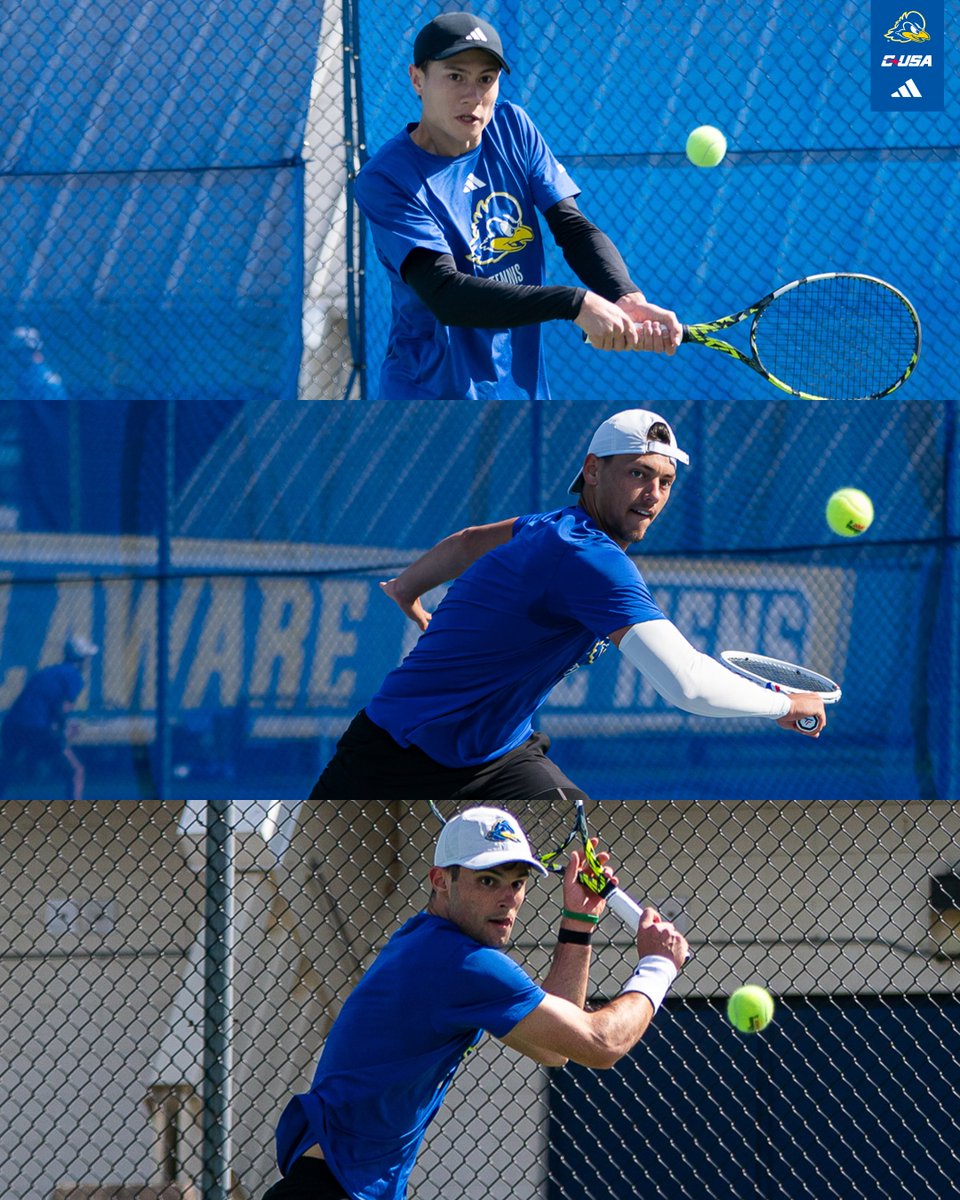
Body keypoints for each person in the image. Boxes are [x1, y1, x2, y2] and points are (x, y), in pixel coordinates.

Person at [310, 407, 826, 802]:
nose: (653, 494)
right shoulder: (587, 559)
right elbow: (687, 683)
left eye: (665, 482)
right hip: (395, 748)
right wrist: (785, 704)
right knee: (305, 900)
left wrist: (406, 588)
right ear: (594, 470)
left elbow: (468, 542)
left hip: (498, 754)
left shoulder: (549, 527)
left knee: (580, 844)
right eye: (639, 474)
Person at [262, 805, 689, 1200]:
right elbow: (599, 1044)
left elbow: (555, 1048)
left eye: (517, 883)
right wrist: (658, 967)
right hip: (330, 1188)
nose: (508, 898)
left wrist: (577, 925)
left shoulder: (429, 943)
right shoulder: (458, 962)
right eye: (488, 880)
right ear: (440, 880)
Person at [354, 11, 682, 400]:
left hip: (519, 386)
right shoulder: (387, 178)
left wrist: (626, 295)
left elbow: (572, 227)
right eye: (455, 76)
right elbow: (446, 295)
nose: (473, 96)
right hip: (430, 391)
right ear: (417, 80)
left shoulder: (513, 128)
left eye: (486, 79)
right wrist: (575, 303)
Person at [0, 634, 98, 800]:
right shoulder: (74, 677)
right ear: (82, 659)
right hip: (38, 729)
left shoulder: (47, 672)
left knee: (6, 770)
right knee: (75, 772)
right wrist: (65, 730)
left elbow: (36, 704)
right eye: (87, 657)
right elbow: (62, 710)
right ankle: (74, 819)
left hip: (12, 725)